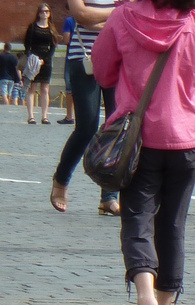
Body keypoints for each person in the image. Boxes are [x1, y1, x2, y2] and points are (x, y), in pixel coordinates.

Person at [92, 0, 195, 305]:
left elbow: (103, 68)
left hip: (140, 141)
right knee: (173, 223)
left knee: (137, 217)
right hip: (187, 138)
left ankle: (145, 297)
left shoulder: (123, 16)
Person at [50, 0, 122, 215]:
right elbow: (81, 15)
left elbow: (132, 18)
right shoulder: (120, 6)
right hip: (83, 59)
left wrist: (98, 18)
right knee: (87, 126)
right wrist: (119, 11)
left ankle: (109, 196)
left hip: (117, 58)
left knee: (116, 126)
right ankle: (61, 179)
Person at [24, 4, 58, 123]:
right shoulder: (32, 27)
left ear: (49, 13)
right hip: (34, 59)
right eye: (42, 11)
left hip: (46, 61)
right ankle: (31, 116)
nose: (45, 14)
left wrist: (46, 58)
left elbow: (53, 47)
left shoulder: (51, 28)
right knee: (32, 88)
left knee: (45, 89)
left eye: (47, 11)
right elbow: (27, 44)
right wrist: (31, 56)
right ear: (38, 13)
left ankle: (44, 116)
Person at [57, 12, 74, 121]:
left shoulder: (70, 21)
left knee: (69, 87)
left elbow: (66, 40)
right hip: (90, 57)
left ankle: (69, 116)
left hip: (72, 56)